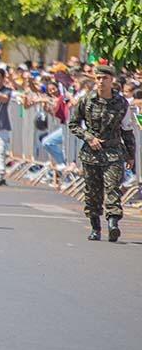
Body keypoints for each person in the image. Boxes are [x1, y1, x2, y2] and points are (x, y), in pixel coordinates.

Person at [68, 63, 136, 242]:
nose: (100, 81)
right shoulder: (86, 100)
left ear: (111, 80)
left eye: (104, 78)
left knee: (113, 187)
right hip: (91, 153)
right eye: (98, 78)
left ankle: (113, 223)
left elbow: (127, 130)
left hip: (113, 152)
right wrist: (88, 137)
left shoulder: (121, 103)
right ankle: (95, 227)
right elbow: (73, 124)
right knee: (92, 192)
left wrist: (131, 154)